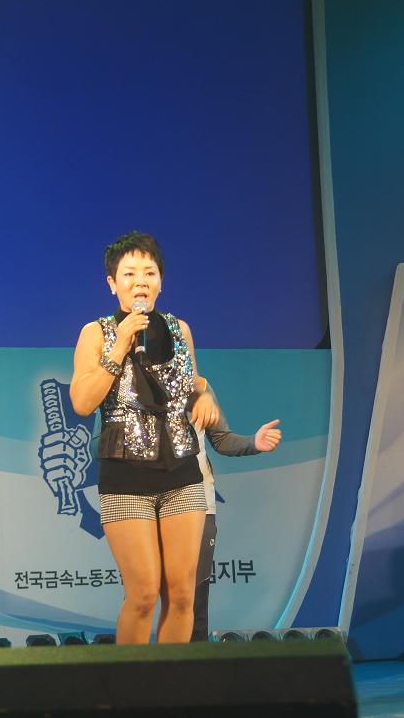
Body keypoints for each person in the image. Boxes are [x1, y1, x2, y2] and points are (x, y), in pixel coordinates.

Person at [70, 231, 222, 644]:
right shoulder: (97, 332)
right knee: (142, 594)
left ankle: (168, 679)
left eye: (149, 272)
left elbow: (190, 384)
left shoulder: (180, 329)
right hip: (126, 478)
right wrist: (120, 345)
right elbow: (82, 402)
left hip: (182, 473)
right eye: (130, 273)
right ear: (112, 283)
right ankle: (131, 680)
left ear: (161, 282)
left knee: (183, 594)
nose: (141, 281)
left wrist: (205, 395)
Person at [184, 389, 282, 641]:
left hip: (198, 501)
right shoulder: (124, 381)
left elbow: (221, 439)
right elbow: (99, 444)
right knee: (145, 594)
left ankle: (192, 659)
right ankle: (143, 662)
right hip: (146, 503)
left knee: (195, 595)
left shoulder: (199, 386)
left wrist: (253, 442)